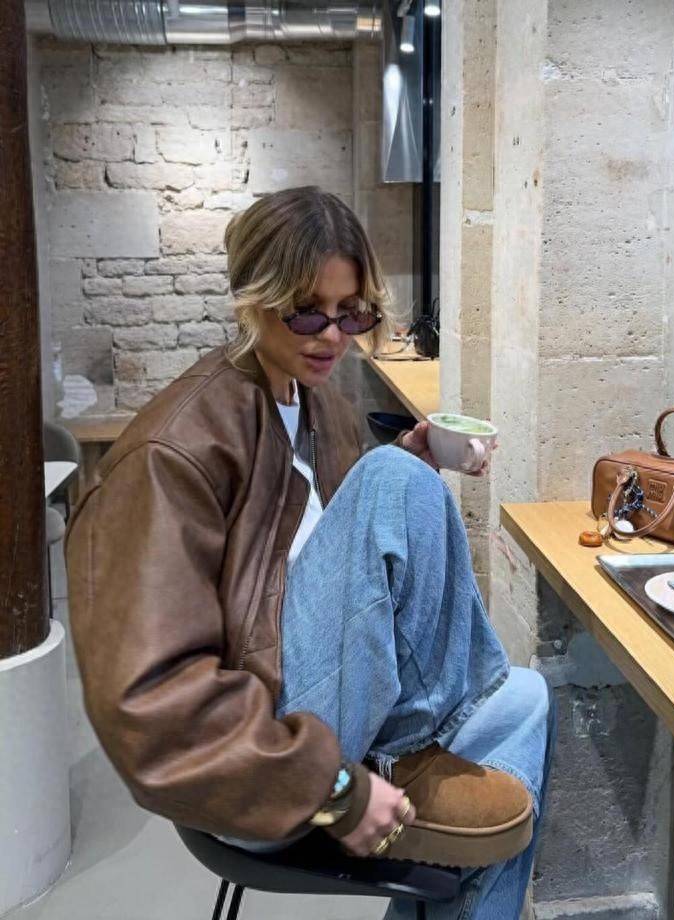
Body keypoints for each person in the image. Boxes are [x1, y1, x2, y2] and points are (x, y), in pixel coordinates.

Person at [65, 185, 555, 919]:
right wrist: (335, 788)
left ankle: (417, 753)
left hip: (338, 703)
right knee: (391, 480)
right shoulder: (171, 455)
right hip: (265, 758)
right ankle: (408, 751)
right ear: (252, 298)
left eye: (351, 313)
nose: (331, 336)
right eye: (305, 311)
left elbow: (323, 567)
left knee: (529, 700)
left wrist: (411, 462)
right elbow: (154, 713)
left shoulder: (319, 404)